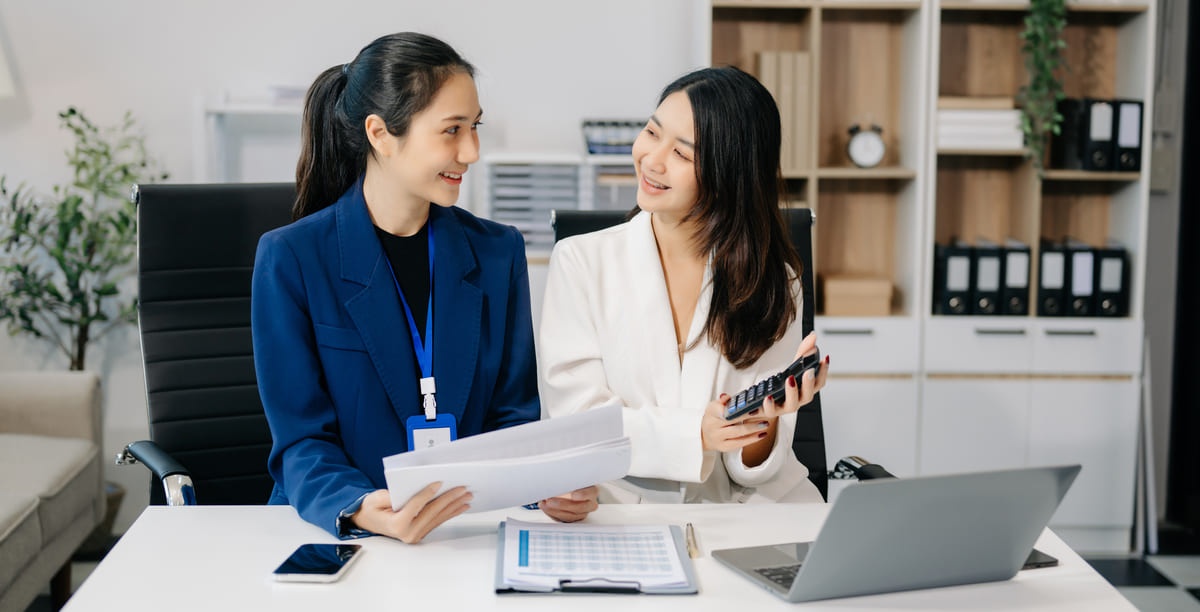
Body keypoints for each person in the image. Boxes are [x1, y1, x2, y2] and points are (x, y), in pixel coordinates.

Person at [251, 32, 594, 543]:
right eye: (451, 130)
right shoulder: (293, 258)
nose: (472, 151)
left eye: (474, 127)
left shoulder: (498, 253)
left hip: (465, 533)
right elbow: (301, 442)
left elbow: (513, 418)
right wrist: (363, 507)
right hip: (340, 532)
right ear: (380, 133)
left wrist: (547, 484)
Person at [538, 66, 831, 505]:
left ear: (729, 175)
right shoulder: (581, 262)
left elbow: (751, 471)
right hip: (622, 507)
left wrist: (763, 420)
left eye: (683, 154)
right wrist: (695, 433)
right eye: (652, 133)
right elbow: (580, 421)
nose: (652, 159)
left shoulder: (775, 281)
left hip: (741, 510)